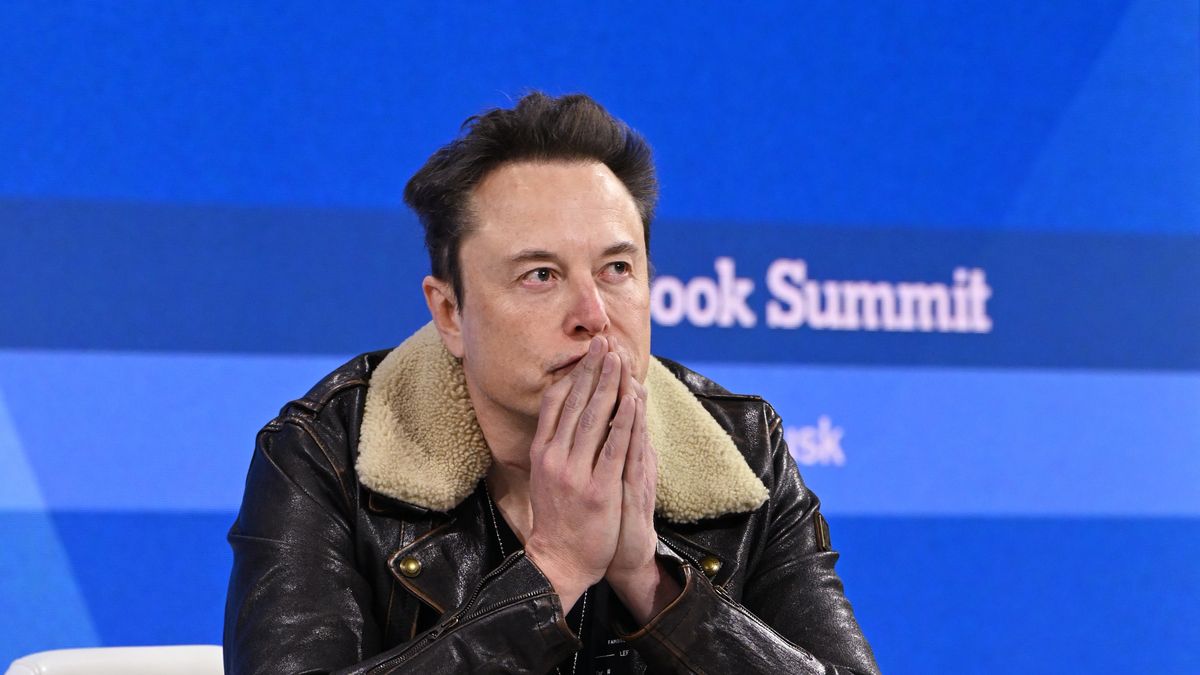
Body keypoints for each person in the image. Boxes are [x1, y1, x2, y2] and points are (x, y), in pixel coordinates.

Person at [223, 92, 879, 675]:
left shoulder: (743, 449)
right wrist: (554, 571)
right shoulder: (324, 454)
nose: (593, 316)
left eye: (617, 268)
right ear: (450, 312)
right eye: (540, 275)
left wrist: (652, 582)